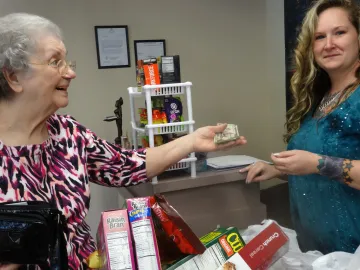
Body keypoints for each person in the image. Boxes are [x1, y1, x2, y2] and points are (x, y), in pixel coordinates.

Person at [0, 13, 247, 270]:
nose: (70, 73)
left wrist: (192, 141)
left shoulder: (68, 134)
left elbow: (125, 166)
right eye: (55, 62)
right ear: (14, 77)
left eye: (67, 61)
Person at [241, 0, 360, 255]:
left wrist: (317, 163)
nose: (329, 44)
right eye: (319, 37)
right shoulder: (319, 98)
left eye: (339, 32)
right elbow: (320, 166)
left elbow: (319, 163)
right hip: (317, 251)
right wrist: (278, 170)